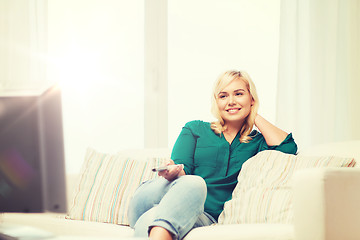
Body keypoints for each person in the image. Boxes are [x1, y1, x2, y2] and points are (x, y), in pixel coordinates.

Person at [127, 70, 297, 240]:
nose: (231, 101)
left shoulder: (257, 142)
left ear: (251, 99)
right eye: (223, 96)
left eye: (238, 94)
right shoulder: (195, 129)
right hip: (153, 197)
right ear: (216, 102)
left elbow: (288, 147)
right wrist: (175, 172)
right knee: (194, 183)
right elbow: (182, 173)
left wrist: (254, 115)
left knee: (152, 218)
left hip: (200, 216)